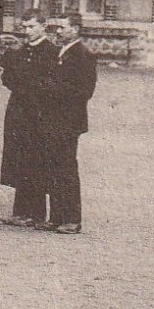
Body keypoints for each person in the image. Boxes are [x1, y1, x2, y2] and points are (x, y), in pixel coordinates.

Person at [0, 14, 58, 228]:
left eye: (32, 26)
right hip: (18, 110)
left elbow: (50, 82)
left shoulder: (51, 52)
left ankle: (36, 213)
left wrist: (27, 83)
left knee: (36, 160)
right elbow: (7, 77)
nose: (27, 31)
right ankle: (20, 211)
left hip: (39, 112)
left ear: (43, 27)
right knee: (19, 158)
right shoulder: (21, 51)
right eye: (24, 26)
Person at [44, 14, 96, 234]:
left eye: (63, 27)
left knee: (66, 168)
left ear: (75, 29)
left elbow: (84, 91)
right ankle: (56, 216)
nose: (58, 31)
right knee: (54, 167)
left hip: (68, 121)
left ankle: (72, 219)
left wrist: (53, 89)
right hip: (54, 120)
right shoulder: (61, 52)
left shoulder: (83, 55)